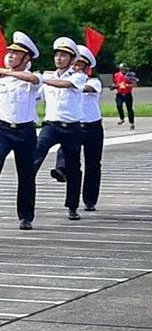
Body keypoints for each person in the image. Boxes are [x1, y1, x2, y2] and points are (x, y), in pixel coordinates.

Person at [0, 32, 43, 229]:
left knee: (26, 174)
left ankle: (26, 216)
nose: (10, 56)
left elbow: (32, 79)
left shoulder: (31, 78)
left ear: (26, 58)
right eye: (10, 53)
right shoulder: (0, 79)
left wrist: (7, 72)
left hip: (25, 131)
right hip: (2, 128)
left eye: (16, 54)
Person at [35, 37, 86, 221]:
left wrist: (43, 79)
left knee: (73, 167)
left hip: (72, 128)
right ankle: (27, 200)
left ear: (72, 59)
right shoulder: (47, 76)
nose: (58, 58)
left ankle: (72, 206)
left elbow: (65, 84)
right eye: (57, 54)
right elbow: (35, 95)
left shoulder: (78, 76)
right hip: (51, 125)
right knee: (34, 158)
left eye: (63, 55)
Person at [74, 45, 103, 212]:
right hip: (76, 126)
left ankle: (90, 199)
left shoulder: (93, 81)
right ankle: (73, 200)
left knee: (93, 165)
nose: (76, 67)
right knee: (73, 163)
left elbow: (87, 89)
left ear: (86, 67)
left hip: (93, 127)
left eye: (79, 65)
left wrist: (71, 84)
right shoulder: (66, 80)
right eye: (74, 64)